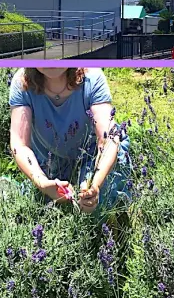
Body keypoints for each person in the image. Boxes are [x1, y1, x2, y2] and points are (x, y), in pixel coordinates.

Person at [9, 67, 132, 214]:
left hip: (93, 155)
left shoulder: (92, 78)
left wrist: (95, 185)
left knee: (97, 208)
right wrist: (42, 182)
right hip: (50, 160)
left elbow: (108, 139)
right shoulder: (22, 83)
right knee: (46, 210)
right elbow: (20, 145)